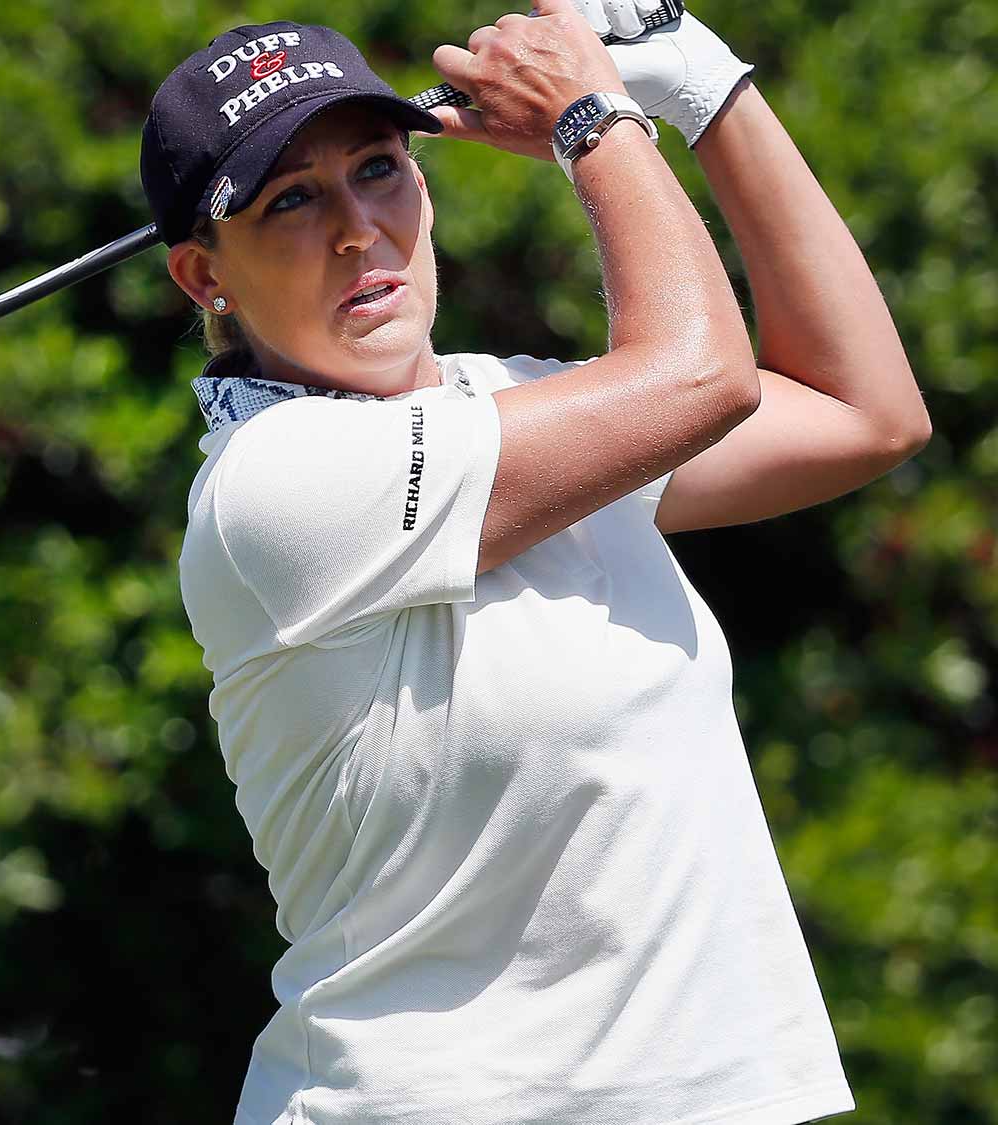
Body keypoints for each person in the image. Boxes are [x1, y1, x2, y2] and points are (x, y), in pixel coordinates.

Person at [140, 2, 930, 1122]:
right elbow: (703, 378)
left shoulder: (508, 400)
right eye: (289, 201)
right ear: (199, 278)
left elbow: (862, 415)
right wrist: (594, 120)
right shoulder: (274, 487)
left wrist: (703, 90)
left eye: (376, 169)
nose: (357, 229)